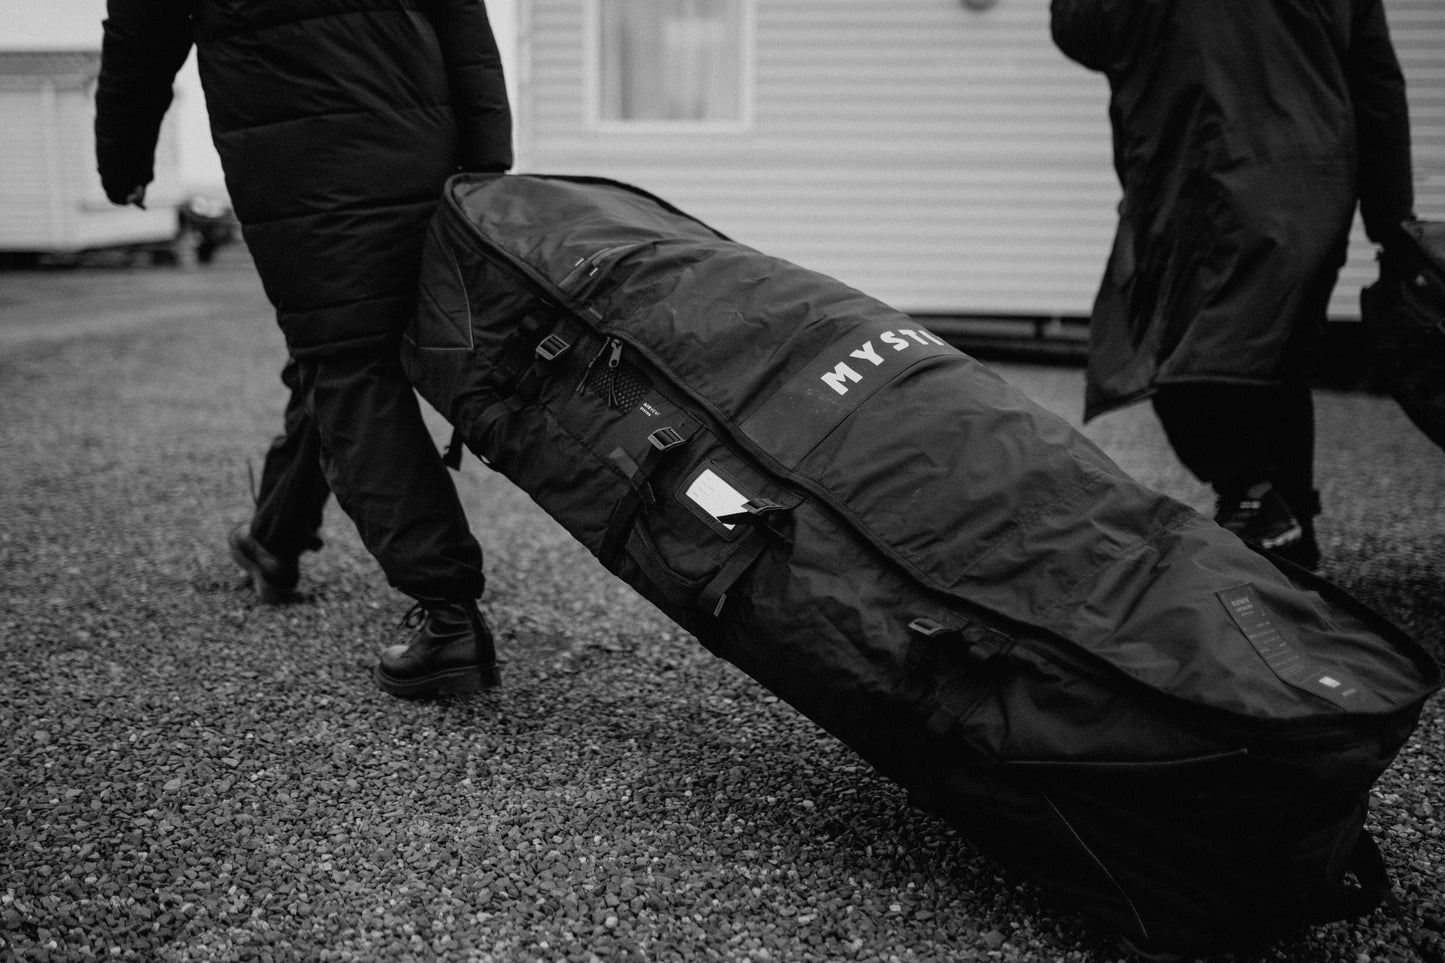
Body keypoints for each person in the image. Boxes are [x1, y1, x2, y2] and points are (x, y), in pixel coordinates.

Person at [94, 0, 512, 696]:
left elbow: (141, 38)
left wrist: (123, 159)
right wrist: (486, 161)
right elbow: (462, 23)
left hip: (298, 167)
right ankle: (275, 537)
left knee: (348, 365)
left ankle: (449, 618)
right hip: (422, 143)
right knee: (338, 351)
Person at [1050, 0, 1416, 570]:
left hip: (1195, 175)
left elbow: (1082, 27)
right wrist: (1391, 219)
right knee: (1273, 360)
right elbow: (1376, 81)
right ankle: (1285, 536)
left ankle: (1256, 503)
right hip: (1310, 181)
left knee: (1188, 362)